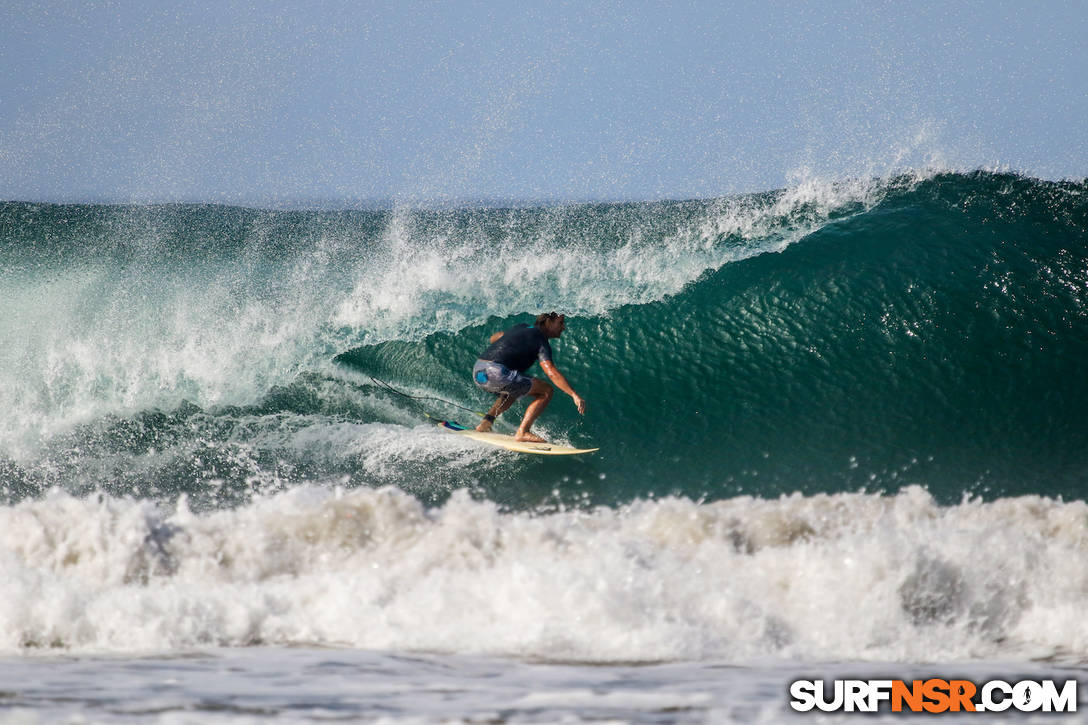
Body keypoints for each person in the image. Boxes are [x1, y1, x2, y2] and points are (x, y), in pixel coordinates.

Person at [471, 312, 586, 442]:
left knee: (512, 391)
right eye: (560, 323)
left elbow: (495, 337)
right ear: (548, 322)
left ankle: (486, 423)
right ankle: (523, 432)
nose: (563, 327)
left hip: (479, 370)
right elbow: (551, 372)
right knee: (546, 391)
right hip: (496, 373)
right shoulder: (541, 340)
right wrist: (574, 395)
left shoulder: (522, 327)